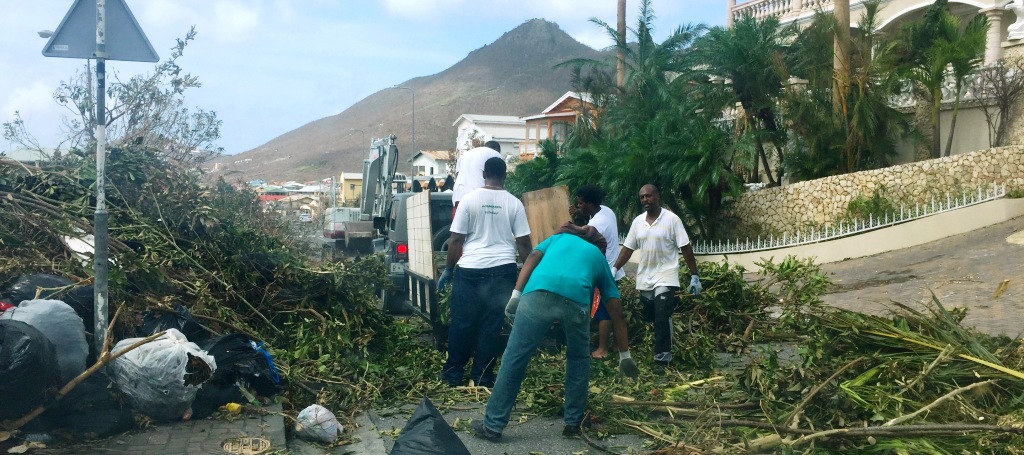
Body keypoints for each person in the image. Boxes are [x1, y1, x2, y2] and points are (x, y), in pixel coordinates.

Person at [471, 225, 639, 442]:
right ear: (599, 245)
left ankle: (492, 426)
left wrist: (516, 293)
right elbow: (615, 309)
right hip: (576, 300)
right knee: (578, 359)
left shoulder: (557, 239)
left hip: (537, 294)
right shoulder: (597, 255)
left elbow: (532, 256)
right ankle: (573, 424)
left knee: (515, 357)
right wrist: (624, 355)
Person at [437, 157, 532, 387]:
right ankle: (482, 376)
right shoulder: (514, 203)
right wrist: (530, 273)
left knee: (462, 323)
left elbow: (456, 239)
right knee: (491, 326)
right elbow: (523, 244)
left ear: (483, 174)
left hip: (470, 270)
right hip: (502, 271)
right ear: (504, 175)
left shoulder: (468, 201)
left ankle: (453, 375)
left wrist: (448, 270)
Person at [611, 184, 701, 373]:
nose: (645, 200)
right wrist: (615, 268)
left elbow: (685, 247)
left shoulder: (672, 220)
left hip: (666, 276)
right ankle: (655, 345)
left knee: (662, 314)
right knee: (649, 315)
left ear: (657, 196)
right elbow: (628, 248)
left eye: (648, 196)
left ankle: (662, 358)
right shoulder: (637, 222)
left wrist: (694, 276)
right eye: (642, 197)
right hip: (645, 277)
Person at [569, 185, 625, 359]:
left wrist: (572, 224)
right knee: (615, 309)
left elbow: (585, 239)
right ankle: (617, 345)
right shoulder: (607, 212)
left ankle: (602, 349)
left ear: (588, 203)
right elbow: (592, 219)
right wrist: (580, 214)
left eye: (580, 204)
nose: (578, 206)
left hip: (602, 274)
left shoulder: (595, 225)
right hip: (614, 269)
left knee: (603, 313)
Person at [452, 141, 501, 213]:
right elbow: (497, 179)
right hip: (479, 200)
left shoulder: (464, 155)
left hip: (459, 198)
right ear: (497, 149)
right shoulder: (495, 154)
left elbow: (457, 176)